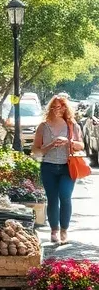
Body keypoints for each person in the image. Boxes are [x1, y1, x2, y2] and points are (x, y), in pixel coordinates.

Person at [32, 94, 85, 245]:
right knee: (52, 199)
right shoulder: (44, 126)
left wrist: (69, 142)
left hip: (67, 166)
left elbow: (81, 145)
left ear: (65, 108)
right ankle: (54, 230)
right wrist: (51, 145)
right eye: (54, 107)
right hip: (48, 166)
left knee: (65, 196)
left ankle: (64, 230)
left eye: (60, 107)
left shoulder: (72, 125)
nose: (56, 110)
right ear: (50, 108)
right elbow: (36, 150)